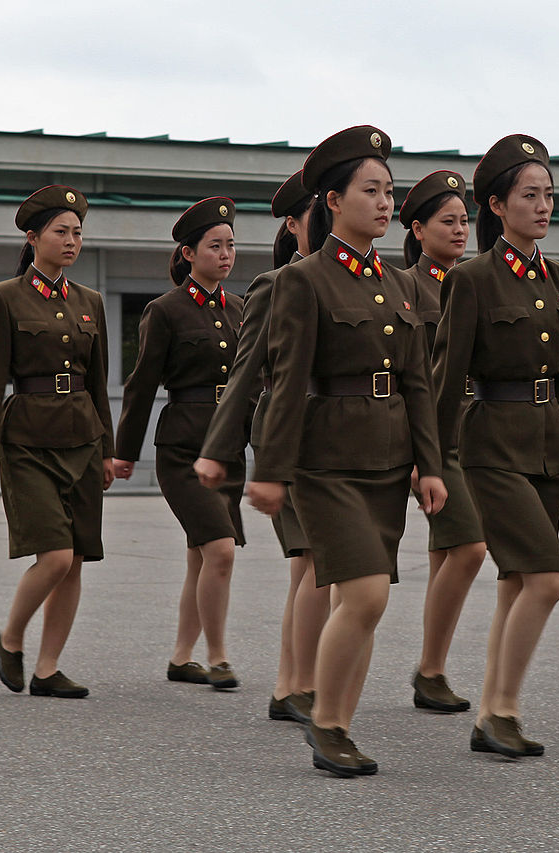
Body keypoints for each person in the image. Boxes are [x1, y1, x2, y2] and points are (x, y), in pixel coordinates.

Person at [248, 126, 447, 777]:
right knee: (361, 593)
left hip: (387, 461)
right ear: (333, 199)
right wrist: (271, 471)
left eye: (391, 191)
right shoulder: (303, 281)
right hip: (325, 462)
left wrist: (431, 464)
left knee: (371, 598)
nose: (387, 203)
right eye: (372, 190)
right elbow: (285, 385)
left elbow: (418, 383)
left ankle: (340, 724)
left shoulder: (400, 284)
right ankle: (327, 721)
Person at [433, 134, 559, 758]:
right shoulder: (472, 278)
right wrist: (430, 460)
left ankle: (490, 712)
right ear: (498, 206)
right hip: (492, 446)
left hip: (548, 445)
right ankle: (501, 710)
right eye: (529, 195)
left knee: (516, 579)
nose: (542, 206)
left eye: (549, 195)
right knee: (547, 578)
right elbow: (446, 377)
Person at [0, 186, 114, 699]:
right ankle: (10, 639)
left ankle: (48, 668)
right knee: (54, 555)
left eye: (77, 233)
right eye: (60, 232)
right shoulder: (3, 297)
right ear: (33, 238)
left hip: (84, 438)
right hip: (27, 438)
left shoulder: (90, 301)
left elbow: (99, 383)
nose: (72, 241)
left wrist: (110, 449)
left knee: (75, 559)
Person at [194, 171, 329, 722]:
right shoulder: (278, 283)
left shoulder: (362, 280)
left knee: (310, 566)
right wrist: (220, 448)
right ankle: (296, 684)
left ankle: (291, 683)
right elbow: (247, 370)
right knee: (317, 562)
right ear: (295, 224)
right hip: (290, 434)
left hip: (341, 433)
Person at [115, 198, 247, 690]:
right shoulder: (165, 310)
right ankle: (218, 656)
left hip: (227, 443)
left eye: (230, 245)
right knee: (221, 549)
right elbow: (141, 383)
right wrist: (124, 452)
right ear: (189, 253)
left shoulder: (239, 308)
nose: (226, 254)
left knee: (202, 553)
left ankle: (182, 656)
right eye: (215, 246)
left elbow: (251, 383)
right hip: (183, 448)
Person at [399, 170, 487, 713]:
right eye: (447, 222)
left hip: (474, 436)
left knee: (445, 554)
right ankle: (430, 669)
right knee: (470, 547)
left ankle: (433, 671)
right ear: (418, 229)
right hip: (432, 439)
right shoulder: (408, 287)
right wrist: (416, 451)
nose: (459, 231)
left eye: (464, 221)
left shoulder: (474, 280)